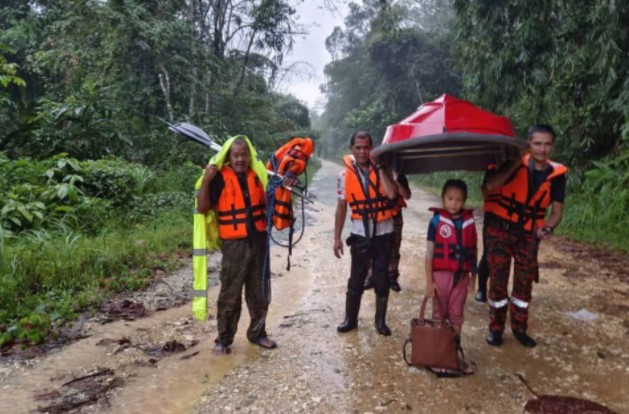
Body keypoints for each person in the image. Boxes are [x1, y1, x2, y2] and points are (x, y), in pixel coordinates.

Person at [483, 124, 568, 348]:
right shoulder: (510, 160)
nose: (542, 149)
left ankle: (520, 329)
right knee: (498, 281)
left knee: (524, 284)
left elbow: (556, 212)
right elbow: (489, 186)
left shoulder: (557, 175)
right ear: (529, 144)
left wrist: (547, 227)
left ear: (553, 145)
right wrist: (514, 163)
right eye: (537, 143)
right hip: (500, 229)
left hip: (529, 234)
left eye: (547, 144)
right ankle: (496, 328)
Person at [197, 136, 278, 354]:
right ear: (229, 157)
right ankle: (223, 340)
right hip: (234, 245)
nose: (240, 159)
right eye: (236, 155)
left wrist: (282, 186)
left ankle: (258, 333)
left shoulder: (259, 176)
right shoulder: (219, 178)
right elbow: (203, 207)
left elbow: (273, 203)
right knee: (230, 294)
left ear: (249, 156)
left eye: (244, 155)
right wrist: (206, 180)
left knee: (259, 291)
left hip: (259, 241)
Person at [333, 131, 398, 336]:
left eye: (366, 147)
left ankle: (380, 321)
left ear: (372, 148)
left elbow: (391, 194)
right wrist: (336, 238)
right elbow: (341, 207)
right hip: (360, 233)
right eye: (358, 147)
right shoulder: (344, 176)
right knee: (356, 277)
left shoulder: (383, 169)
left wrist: (378, 168)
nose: (362, 151)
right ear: (351, 149)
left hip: (384, 232)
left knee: (381, 277)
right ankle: (350, 319)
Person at [424, 179, 477, 375]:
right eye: (450, 199)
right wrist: (429, 282)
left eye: (458, 200)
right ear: (443, 198)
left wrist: (474, 276)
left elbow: (473, 250)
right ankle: (437, 357)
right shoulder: (436, 222)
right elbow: (429, 254)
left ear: (464, 201)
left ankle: (453, 355)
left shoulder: (469, 222)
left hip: (461, 277)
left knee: (456, 317)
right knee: (439, 315)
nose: (454, 203)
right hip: (440, 277)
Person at [364, 171, 411, 292]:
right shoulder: (371, 172)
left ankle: (392, 278)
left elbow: (407, 195)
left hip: (394, 218)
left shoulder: (399, 175)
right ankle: (371, 276)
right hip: (375, 217)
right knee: (372, 248)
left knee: (394, 249)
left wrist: (395, 181)